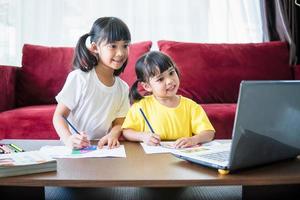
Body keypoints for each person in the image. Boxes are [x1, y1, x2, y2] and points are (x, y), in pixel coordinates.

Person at [53, 17, 131, 149]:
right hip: (76, 148)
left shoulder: (123, 88)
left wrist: (113, 134)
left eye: (125, 45)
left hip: (102, 149)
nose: (120, 52)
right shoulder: (79, 78)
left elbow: (120, 122)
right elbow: (59, 116)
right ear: (95, 47)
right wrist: (68, 139)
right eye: (113, 46)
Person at [122, 51, 215, 148]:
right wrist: (143, 136)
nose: (170, 81)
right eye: (160, 79)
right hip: (153, 158)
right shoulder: (140, 106)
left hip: (182, 157)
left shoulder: (191, 106)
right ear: (147, 86)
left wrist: (193, 140)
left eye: (171, 73)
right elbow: (126, 132)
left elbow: (209, 133)